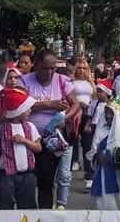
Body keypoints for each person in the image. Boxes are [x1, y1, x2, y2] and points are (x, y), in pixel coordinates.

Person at [19, 49, 80, 209]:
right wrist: (49, 104)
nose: (50, 72)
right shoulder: (24, 81)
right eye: (46, 68)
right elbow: (20, 105)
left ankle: (45, 213)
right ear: (37, 65)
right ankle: (27, 212)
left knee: (46, 180)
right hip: (27, 138)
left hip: (51, 139)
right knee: (27, 179)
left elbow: (76, 104)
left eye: (53, 68)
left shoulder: (62, 80)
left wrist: (65, 118)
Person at [0, 87, 41, 210]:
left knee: (27, 207)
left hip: (27, 175)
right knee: (5, 207)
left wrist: (25, 141)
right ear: (17, 111)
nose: (30, 111)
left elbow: (38, 148)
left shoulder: (30, 127)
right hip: (6, 176)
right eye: (27, 108)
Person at [88, 97, 120, 210]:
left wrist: (119, 161)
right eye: (106, 112)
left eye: (111, 113)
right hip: (103, 178)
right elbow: (92, 154)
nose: (108, 116)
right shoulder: (100, 132)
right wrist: (97, 156)